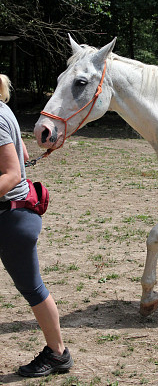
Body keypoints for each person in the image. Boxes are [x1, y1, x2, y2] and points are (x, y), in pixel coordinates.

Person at [0, 74, 73, 377]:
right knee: (32, 287)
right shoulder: (5, 111)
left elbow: (13, 174)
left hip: (10, 217)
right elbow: (24, 154)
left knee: (33, 288)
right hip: (13, 215)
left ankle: (57, 354)